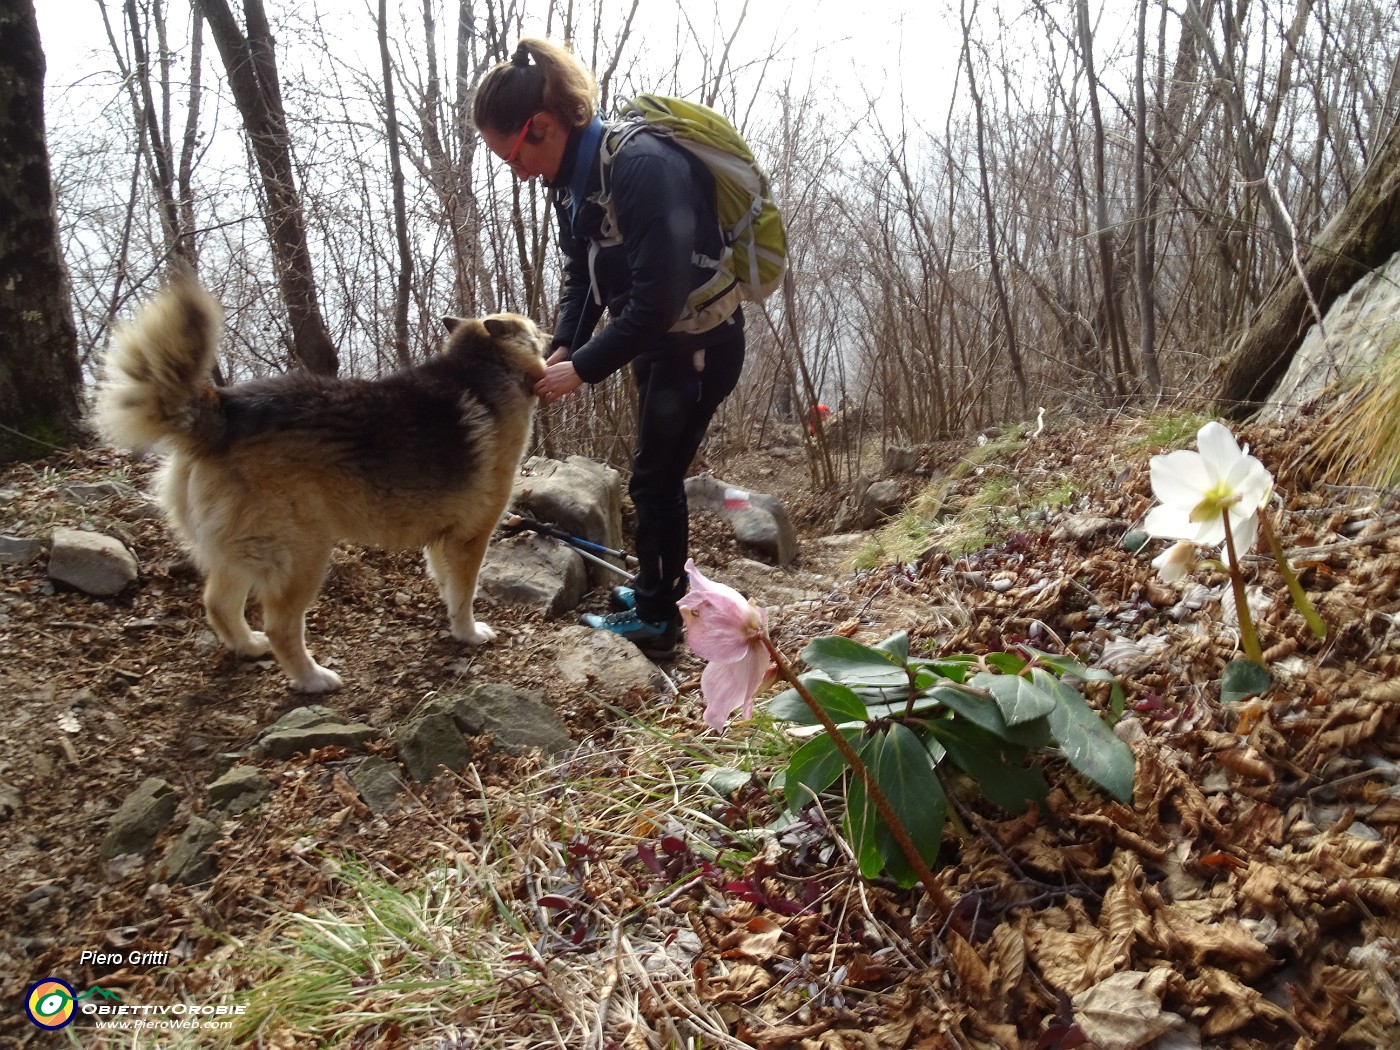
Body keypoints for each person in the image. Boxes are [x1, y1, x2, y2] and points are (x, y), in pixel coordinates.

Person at [473, 38, 746, 660]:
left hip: (701, 344)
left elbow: (657, 299)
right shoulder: (574, 178)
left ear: (540, 127)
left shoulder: (642, 167)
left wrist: (584, 369)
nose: (516, 172)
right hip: (658, 342)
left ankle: (657, 620)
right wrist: (566, 338)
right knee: (652, 471)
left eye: (511, 156)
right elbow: (582, 268)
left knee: (655, 477)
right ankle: (657, 589)